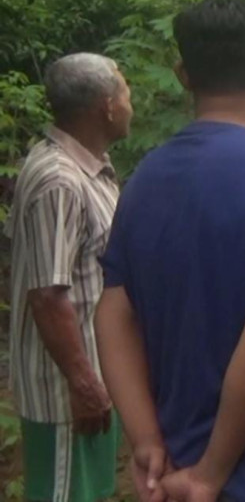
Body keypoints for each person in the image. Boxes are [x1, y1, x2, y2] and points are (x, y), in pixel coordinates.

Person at [95, 0, 245, 502]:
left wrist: (145, 440)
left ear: (184, 75)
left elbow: (113, 315)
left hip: (175, 460)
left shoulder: (144, 179)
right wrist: (211, 474)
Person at [7, 53, 132, 502]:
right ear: (107, 106)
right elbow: (47, 294)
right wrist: (84, 385)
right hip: (68, 394)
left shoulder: (89, 168)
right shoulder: (60, 179)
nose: (130, 101)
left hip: (94, 374)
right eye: (125, 90)